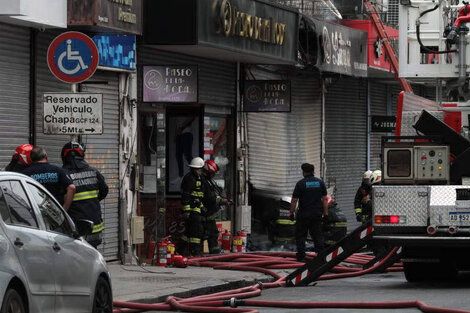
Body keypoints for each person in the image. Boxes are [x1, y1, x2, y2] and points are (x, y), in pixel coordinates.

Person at [61, 142, 108, 248]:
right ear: (82, 155)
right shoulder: (94, 172)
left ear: (64, 156)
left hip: (73, 228)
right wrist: (91, 201)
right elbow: (104, 190)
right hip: (94, 228)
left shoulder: (63, 175)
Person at [289, 163, 328, 262]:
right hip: (316, 214)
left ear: (304, 172)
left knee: (301, 235)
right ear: (313, 171)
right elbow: (325, 199)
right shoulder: (320, 183)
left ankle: (301, 256)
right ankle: (321, 257)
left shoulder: (300, 183)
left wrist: (291, 213)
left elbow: (294, 200)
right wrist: (326, 213)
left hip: (304, 214)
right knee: (317, 235)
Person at [22, 146, 75, 210]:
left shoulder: (25, 174)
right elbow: (72, 187)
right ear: (46, 156)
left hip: (36, 211)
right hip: (55, 212)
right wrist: (64, 209)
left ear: (31, 159)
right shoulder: (57, 170)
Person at [178, 157, 210, 257]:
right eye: (196, 169)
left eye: (199, 169)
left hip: (196, 209)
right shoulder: (189, 178)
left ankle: (179, 250)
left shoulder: (199, 178)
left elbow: (199, 195)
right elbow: (186, 195)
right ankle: (194, 253)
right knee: (197, 231)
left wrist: (202, 206)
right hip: (191, 210)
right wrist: (186, 211)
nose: (198, 171)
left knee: (188, 232)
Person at [202, 160, 231, 254]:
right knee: (204, 234)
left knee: (213, 233)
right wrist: (222, 201)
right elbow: (209, 197)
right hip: (203, 213)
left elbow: (215, 193)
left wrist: (222, 199)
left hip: (209, 214)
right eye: (212, 173)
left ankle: (214, 252)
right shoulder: (203, 182)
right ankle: (196, 253)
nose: (213, 175)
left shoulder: (209, 181)